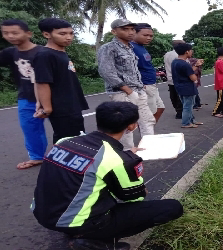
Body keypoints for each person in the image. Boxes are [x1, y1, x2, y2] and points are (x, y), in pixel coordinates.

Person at [32, 101, 183, 250]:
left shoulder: (64, 141)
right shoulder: (116, 159)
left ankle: (79, 231)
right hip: (82, 222)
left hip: (42, 214)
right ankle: (93, 241)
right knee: (172, 207)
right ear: (132, 126)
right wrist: (134, 173)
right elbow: (134, 197)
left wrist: (124, 156)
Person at [97, 19, 156, 151]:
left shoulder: (130, 48)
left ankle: (149, 148)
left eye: (132, 29)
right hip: (122, 93)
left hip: (138, 90)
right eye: (125, 29)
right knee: (126, 126)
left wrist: (140, 87)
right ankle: (126, 153)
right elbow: (106, 72)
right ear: (114, 31)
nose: (130, 32)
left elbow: (133, 70)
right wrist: (128, 90)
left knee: (147, 120)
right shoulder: (108, 48)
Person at [33, 18, 89, 144]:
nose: (68, 37)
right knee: (67, 141)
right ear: (47, 34)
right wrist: (46, 107)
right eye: (62, 34)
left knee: (74, 138)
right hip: (62, 107)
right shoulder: (45, 55)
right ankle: (59, 163)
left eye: (71, 33)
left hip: (72, 104)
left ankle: (62, 162)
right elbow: (42, 82)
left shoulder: (60, 53)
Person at [0, 19, 47, 169]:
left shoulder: (43, 52)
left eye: (15, 32)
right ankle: (37, 157)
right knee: (30, 128)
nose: (10, 36)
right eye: (5, 33)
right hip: (26, 98)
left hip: (51, 97)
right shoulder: (10, 52)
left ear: (28, 33)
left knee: (64, 127)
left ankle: (75, 155)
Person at [131, 23, 165, 123]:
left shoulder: (141, 47)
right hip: (144, 85)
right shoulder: (131, 48)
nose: (149, 38)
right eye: (145, 35)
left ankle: (148, 132)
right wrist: (140, 85)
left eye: (151, 36)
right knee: (147, 116)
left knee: (160, 108)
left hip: (151, 84)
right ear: (134, 33)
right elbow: (131, 69)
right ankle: (146, 134)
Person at [171, 43, 203, 128]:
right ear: (187, 52)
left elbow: (186, 72)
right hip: (187, 87)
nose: (191, 52)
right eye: (191, 50)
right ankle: (186, 123)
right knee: (188, 106)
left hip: (179, 87)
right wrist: (195, 76)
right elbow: (193, 77)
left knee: (187, 104)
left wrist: (196, 66)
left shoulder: (175, 61)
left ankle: (191, 120)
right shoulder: (185, 64)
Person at [164, 40, 185, 119]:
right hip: (178, 78)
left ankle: (177, 110)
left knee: (173, 96)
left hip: (170, 78)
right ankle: (181, 112)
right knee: (180, 96)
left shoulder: (167, 54)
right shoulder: (179, 55)